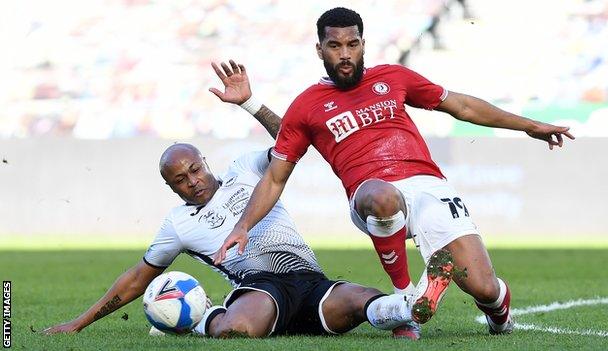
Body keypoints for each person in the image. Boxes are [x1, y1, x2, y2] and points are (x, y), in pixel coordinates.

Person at [212, 7, 575, 339]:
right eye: (335, 45)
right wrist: (243, 226)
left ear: (363, 44)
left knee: (482, 285)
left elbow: (461, 105)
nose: (345, 54)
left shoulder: (394, 77)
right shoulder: (306, 107)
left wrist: (529, 125)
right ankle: (407, 302)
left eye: (352, 44)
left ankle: (498, 306)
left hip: (429, 187)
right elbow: (276, 176)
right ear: (319, 49)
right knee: (382, 196)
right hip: (370, 195)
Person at [43, 65, 455, 338]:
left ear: (205, 162)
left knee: (365, 302)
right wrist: (78, 324)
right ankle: (203, 314)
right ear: (172, 189)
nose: (193, 181)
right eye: (181, 180)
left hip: (310, 280)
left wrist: (249, 104)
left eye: (195, 169)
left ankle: (409, 307)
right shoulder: (177, 224)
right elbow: (137, 276)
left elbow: (290, 139)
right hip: (261, 286)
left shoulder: (246, 168)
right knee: (236, 331)